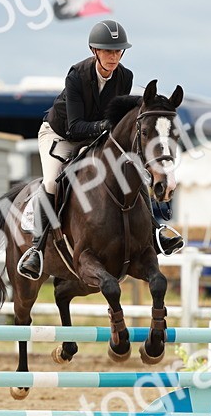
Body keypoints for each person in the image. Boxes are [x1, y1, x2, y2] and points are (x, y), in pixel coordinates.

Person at [16, 19, 185, 280]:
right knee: (52, 181)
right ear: (95, 51)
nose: (113, 57)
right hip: (61, 134)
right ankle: (36, 249)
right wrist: (106, 126)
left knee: (131, 171)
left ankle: (156, 230)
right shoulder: (77, 76)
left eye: (117, 51)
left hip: (95, 137)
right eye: (108, 51)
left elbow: (121, 112)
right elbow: (74, 127)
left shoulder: (124, 76)